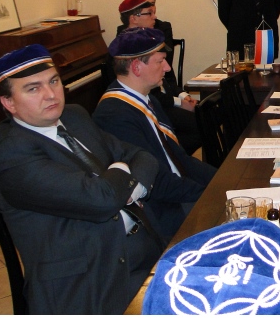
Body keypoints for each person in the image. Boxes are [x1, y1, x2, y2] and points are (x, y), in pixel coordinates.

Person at [0, 44, 163, 314]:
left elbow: (142, 156)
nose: (51, 95)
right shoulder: (13, 157)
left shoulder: (73, 116)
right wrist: (120, 168)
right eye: (33, 89)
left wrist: (134, 187)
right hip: (88, 284)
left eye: (54, 81)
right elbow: (102, 199)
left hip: (140, 248)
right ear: (8, 103)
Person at [93, 28, 217, 242]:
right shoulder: (114, 114)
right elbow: (156, 183)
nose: (167, 68)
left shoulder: (147, 99)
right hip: (160, 213)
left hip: (176, 193)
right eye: (160, 61)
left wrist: (221, 180)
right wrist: (210, 194)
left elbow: (180, 159)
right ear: (136, 67)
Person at [112, 0, 202, 154]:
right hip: (157, 104)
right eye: (150, 13)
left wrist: (182, 95)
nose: (155, 17)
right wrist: (179, 102)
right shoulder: (124, 50)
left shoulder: (148, 40)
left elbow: (168, 77)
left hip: (160, 101)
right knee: (200, 124)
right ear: (134, 18)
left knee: (205, 116)